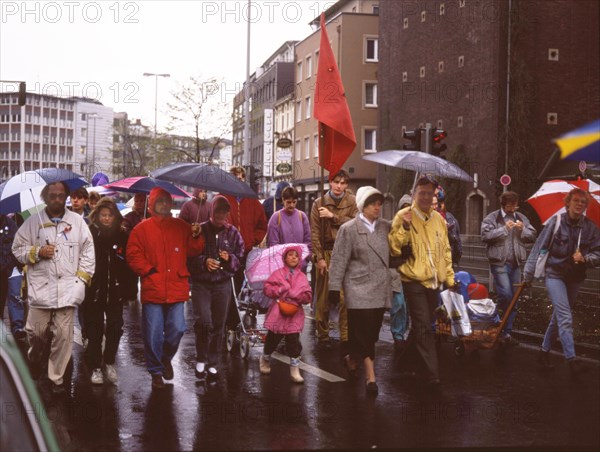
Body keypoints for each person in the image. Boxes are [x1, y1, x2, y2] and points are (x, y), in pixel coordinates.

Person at [12, 181, 95, 395]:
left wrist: (81, 281)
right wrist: (38, 252)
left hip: (68, 289)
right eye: (52, 196)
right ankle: (35, 357)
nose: (57, 199)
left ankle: (55, 379)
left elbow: (88, 252)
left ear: (66, 197)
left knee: (63, 337)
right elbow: (17, 249)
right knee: (36, 333)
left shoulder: (77, 222)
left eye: (61, 195)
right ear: (45, 197)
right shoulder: (32, 223)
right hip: (41, 290)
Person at [126, 187, 205, 390]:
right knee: (152, 332)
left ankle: (165, 358)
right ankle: (156, 371)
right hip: (153, 288)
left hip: (177, 287)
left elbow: (195, 250)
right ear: (152, 204)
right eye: (159, 201)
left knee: (177, 328)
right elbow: (133, 255)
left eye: (167, 201)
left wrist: (196, 235)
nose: (164, 204)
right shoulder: (141, 229)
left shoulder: (181, 226)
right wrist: (148, 271)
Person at [524, 188, 600, 375]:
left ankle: (543, 352)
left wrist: (586, 258)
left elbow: (598, 253)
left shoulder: (590, 228)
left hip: (575, 277)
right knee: (565, 316)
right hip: (554, 274)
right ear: (568, 202)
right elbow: (539, 248)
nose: (579, 204)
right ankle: (571, 359)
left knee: (558, 316)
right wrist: (528, 275)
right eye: (576, 201)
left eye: (583, 202)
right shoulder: (556, 223)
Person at [389, 175, 455, 388]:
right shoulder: (403, 215)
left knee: (420, 327)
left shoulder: (439, 220)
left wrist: (450, 278)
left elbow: (445, 250)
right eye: (422, 193)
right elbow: (394, 248)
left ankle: (403, 362)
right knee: (425, 326)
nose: (426, 197)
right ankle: (432, 373)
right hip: (412, 278)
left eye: (430, 193)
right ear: (414, 193)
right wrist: (405, 228)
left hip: (434, 281)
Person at [328, 187, 391, 394]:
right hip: (358, 287)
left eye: (379, 203)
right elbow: (338, 261)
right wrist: (334, 288)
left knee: (371, 332)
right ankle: (371, 378)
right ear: (363, 206)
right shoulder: (349, 229)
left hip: (380, 287)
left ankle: (352, 357)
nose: (377, 207)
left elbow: (396, 250)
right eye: (373, 203)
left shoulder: (386, 227)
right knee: (364, 331)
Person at [187, 195, 244, 381]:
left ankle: (213, 362)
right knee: (203, 321)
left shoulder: (233, 232)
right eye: (217, 210)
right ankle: (201, 358)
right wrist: (204, 262)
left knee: (219, 323)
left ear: (228, 213)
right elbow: (188, 257)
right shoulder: (200, 229)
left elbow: (240, 258)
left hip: (223, 284)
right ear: (211, 211)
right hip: (201, 283)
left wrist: (230, 259)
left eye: (224, 211)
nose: (220, 215)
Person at [310, 169, 358, 352]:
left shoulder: (352, 202)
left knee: (346, 297)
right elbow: (315, 233)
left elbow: (356, 223)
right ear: (330, 182)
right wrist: (319, 258)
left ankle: (346, 336)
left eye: (343, 183)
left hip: (346, 253)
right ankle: (322, 335)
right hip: (327, 252)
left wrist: (333, 217)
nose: (339, 186)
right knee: (324, 298)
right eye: (336, 182)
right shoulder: (318, 203)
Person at [481, 191, 537, 346]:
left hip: (516, 264)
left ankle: (506, 333)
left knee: (514, 299)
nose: (513, 209)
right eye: (510, 205)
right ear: (503, 204)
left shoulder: (521, 217)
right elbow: (485, 236)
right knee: (505, 294)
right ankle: (496, 322)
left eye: (515, 205)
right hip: (499, 262)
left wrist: (522, 230)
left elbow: (532, 234)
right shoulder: (492, 218)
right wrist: (504, 229)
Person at [84, 198, 130, 385]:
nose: (106, 218)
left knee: (115, 328)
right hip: (94, 291)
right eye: (103, 215)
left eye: (110, 215)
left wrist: (129, 289)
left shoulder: (122, 235)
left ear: (115, 216)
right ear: (97, 215)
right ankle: (95, 367)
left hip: (115, 291)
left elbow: (128, 264)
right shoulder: (90, 233)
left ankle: (109, 361)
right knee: (94, 330)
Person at [223, 166, 268, 330]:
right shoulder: (223, 199)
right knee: (230, 287)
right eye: (234, 178)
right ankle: (231, 321)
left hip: (247, 251)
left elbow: (262, 225)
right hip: (228, 252)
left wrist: (252, 240)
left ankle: (245, 317)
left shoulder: (252, 201)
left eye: (241, 178)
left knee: (247, 287)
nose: (238, 181)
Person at [260, 245, 312, 384]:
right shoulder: (277, 274)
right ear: (285, 257)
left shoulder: (302, 276)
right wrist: (281, 289)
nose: (293, 257)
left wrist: (299, 296)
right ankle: (265, 357)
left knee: (293, 341)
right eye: (290, 255)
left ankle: (294, 368)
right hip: (278, 312)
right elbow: (267, 289)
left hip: (294, 313)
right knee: (273, 339)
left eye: (296, 255)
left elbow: (308, 295)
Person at [390, 195, 412, 350]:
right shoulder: (394, 225)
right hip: (396, 269)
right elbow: (394, 247)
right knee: (399, 303)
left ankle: (407, 333)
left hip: (412, 270)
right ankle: (398, 335)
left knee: (411, 305)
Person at [266, 186, 311, 255]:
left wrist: (304, 259)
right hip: (281, 262)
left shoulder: (302, 216)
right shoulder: (275, 218)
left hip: (300, 262)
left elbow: (308, 241)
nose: (292, 205)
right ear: (283, 200)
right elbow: (272, 244)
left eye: (294, 202)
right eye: (288, 202)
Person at [122, 193, 149, 302]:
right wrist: (141, 227)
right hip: (134, 255)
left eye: (141, 201)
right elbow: (127, 234)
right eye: (136, 201)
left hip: (148, 256)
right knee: (131, 286)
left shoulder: (151, 216)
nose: (139, 204)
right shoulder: (128, 217)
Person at [1, 213, 22, 337]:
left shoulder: (12, 225)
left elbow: (18, 246)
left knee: (15, 296)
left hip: (11, 268)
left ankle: (17, 327)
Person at [433, 190, 462, 268]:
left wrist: (457, 255)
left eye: (441, 202)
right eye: (437, 203)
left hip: (448, 258)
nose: (439, 206)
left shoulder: (450, 218)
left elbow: (456, 238)